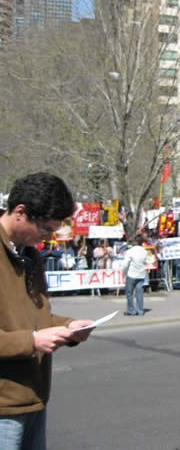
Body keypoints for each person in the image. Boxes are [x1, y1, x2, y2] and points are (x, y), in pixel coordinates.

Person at [0, 172, 95, 449]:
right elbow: (30, 332)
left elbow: (34, 317)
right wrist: (31, 341)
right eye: (45, 229)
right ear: (20, 212)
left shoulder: (28, 253)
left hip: (34, 398)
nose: (48, 237)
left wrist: (69, 326)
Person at [122, 237, 148, 316]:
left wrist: (123, 272)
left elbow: (125, 264)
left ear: (136, 242)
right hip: (141, 274)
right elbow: (145, 261)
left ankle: (131, 310)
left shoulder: (130, 251)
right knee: (139, 293)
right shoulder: (144, 251)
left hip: (131, 274)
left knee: (129, 293)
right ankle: (140, 311)